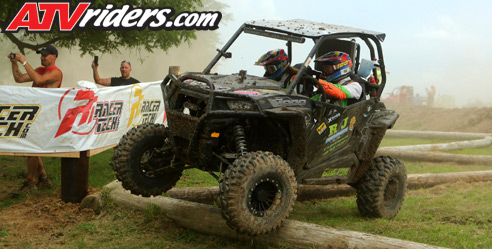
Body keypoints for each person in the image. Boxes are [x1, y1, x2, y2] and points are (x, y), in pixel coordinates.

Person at [8, 44, 62, 192]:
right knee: (32, 145)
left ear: (53, 56)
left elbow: (39, 80)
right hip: (34, 113)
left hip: (45, 115)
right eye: (41, 54)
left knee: (30, 147)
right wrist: (14, 64)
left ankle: (30, 182)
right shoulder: (39, 70)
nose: (42, 57)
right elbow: (19, 78)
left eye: (45, 55)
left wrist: (24, 61)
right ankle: (43, 177)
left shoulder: (56, 72)